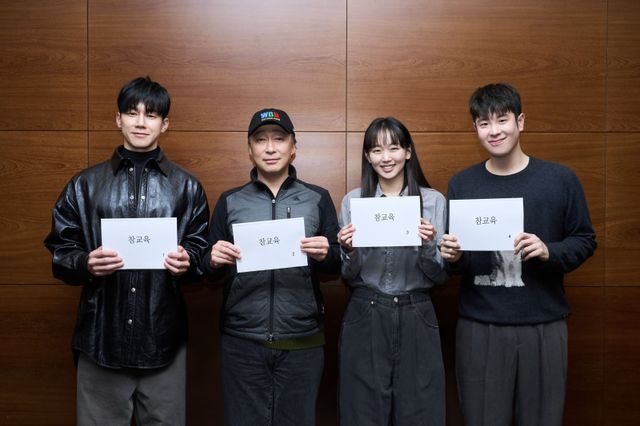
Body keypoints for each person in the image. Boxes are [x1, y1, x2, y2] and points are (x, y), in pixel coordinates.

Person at [44, 76, 210, 425]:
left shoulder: (187, 187)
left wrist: (189, 261)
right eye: (132, 113)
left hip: (163, 338)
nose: (140, 122)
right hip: (100, 337)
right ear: (118, 119)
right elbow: (61, 249)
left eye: (151, 115)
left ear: (165, 124)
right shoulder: (84, 184)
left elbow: (201, 251)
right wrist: (84, 262)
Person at [439, 82, 597, 426]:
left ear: (520, 122)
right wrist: (452, 257)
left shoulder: (560, 179)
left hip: (544, 323)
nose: (494, 131)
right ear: (476, 128)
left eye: (502, 120)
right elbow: (461, 259)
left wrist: (549, 250)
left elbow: (585, 239)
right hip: (480, 325)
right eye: (484, 123)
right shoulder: (462, 184)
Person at [204, 108, 341, 426]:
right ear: (249, 149)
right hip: (242, 341)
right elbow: (208, 268)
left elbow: (336, 264)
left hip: (303, 340)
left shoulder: (318, 198)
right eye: (260, 140)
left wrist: (326, 253)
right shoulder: (230, 200)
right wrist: (212, 259)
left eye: (279, 139)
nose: (270, 148)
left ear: (293, 147)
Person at [337, 117, 447, 425]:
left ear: (408, 152)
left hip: (417, 310)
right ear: (368, 156)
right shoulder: (353, 201)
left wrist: (428, 245)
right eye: (376, 150)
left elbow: (440, 275)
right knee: (361, 411)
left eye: (394, 148)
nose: (386, 157)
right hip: (366, 309)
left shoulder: (433, 201)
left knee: (421, 410)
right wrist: (349, 250)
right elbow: (348, 275)